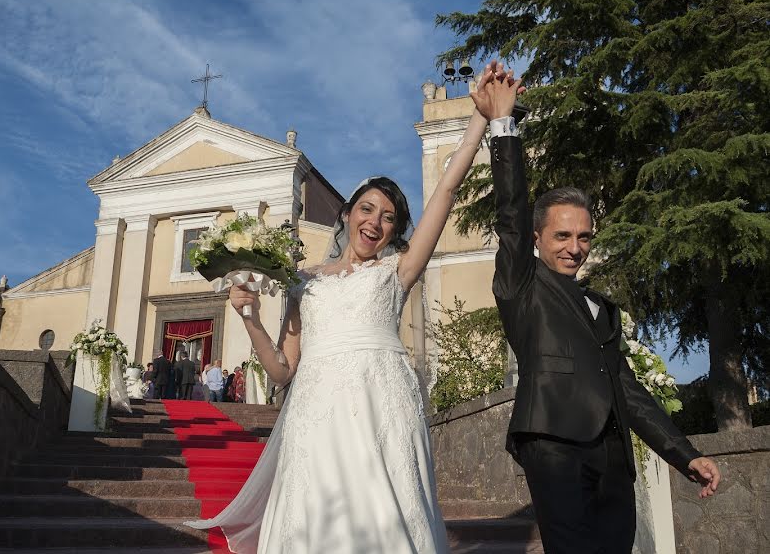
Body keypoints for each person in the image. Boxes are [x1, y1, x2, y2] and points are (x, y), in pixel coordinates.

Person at [186, 62, 515, 553]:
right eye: (367, 209)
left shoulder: (397, 270)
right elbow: (282, 370)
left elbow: (445, 192)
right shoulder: (301, 281)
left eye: (388, 218)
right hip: (315, 409)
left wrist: (480, 119)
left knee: (387, 509)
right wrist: (250, 318)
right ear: (346, 213)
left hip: (382, 400)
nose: (375, 222)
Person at [482, 63, 721, 553]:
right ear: (537, 238)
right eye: (562, 235)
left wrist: (685, 455)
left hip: (613, 458)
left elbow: (630, 393)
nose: (575, 247)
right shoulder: (521, 285)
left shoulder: (603, 309)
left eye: (584, 236)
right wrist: (502, 125)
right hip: (551, 444)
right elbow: (509, 212)